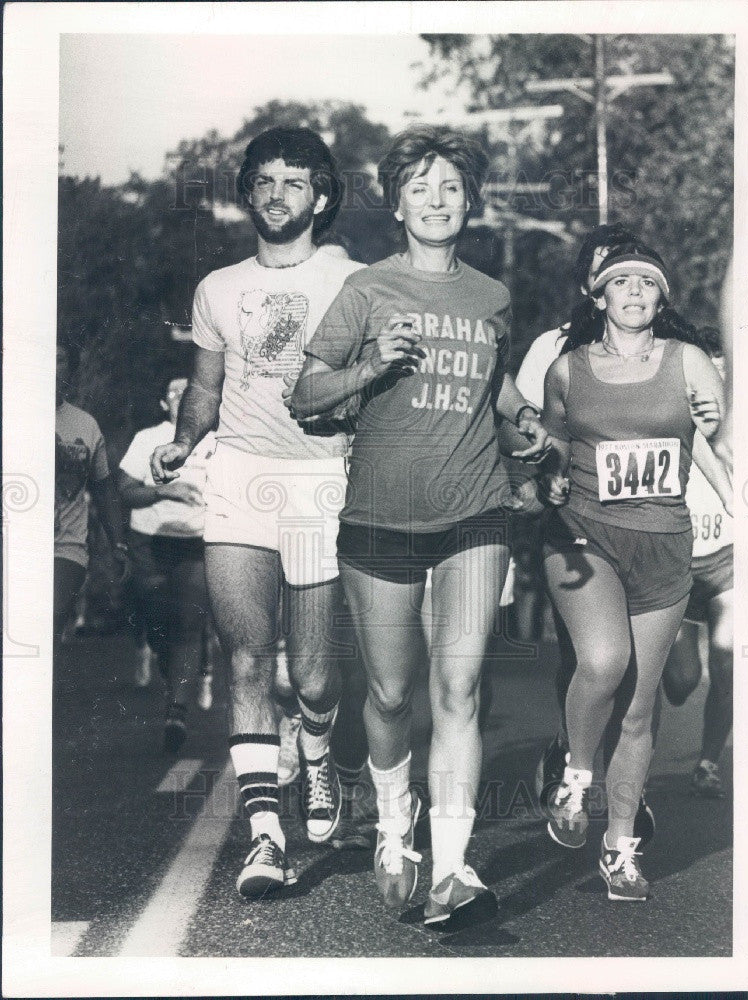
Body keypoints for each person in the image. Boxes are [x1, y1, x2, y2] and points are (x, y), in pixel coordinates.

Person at [292, 124, 549, 929]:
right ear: (396, 201)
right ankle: (394, 826)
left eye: (450, 188)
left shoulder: (490, 294)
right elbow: (305, 394)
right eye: (420, 188)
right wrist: (371, 366)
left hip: (476, 510)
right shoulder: (367, 289)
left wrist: (526, 420)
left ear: (469, 201)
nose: (436, 201)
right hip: (379, 515)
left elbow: (495, 384)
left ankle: (451, 869)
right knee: (392, 691)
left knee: (460, 687)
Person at [150, 127, 364, 897]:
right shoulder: (218, 288)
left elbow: (374, 386)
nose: (277, 195)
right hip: (239, 475)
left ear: (322, 196)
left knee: (309, 678)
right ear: (248, 191)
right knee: (244, 657)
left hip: (319, 481)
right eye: (265, 181)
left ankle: (317, 759)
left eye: (295, 183)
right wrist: (182, 443)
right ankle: (265, 837)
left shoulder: (355, 281)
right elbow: (204, 388)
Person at [538, 242, 725, 901]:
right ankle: (575, 777)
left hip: (663, 541)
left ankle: (619, 848)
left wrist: (716, 428)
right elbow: (553, 445)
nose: (636, 291)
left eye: (649, 282)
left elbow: (717, 438)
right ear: (598, 298)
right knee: (603, 661)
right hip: (582, 534)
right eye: (622, 282)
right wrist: (550, 473)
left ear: (661, 298)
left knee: (641, 706)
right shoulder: (566, 370)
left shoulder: (688, 361)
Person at [498, 224, 659, 844]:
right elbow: (525, 427)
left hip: (649, 527)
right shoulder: (553, 348)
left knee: (646, 668)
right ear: (588, 287)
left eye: (631, 269)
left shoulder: (664, 344)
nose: (620, 281)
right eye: (605, 270)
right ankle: (572, 752)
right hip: (572, 524)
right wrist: (544, 473)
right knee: (591, 657)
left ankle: (627, 789)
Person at [118, 376, 216, 752]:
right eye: (174, 391)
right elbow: (125, 491)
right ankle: (174, 676)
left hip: (195, 543)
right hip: (149, 543)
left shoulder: (217, 441)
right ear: (164, 403)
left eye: (189, 391)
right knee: (158, 629)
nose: (182, 397)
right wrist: (164, 490)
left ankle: (177, 709)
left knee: (189, 624)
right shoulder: (147, 438)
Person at [662, 328, 733, 797]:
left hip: (731, 560)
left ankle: (708, 762)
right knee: (683, 681)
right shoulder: (675, 419)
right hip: (683, 563)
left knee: (730, 665)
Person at [55, 341, 129, 661]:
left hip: (65, 548)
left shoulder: (85, 425)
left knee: (45, 624)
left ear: (69, 371)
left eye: (58, 360)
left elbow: (103, 488)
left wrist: (118, 545)